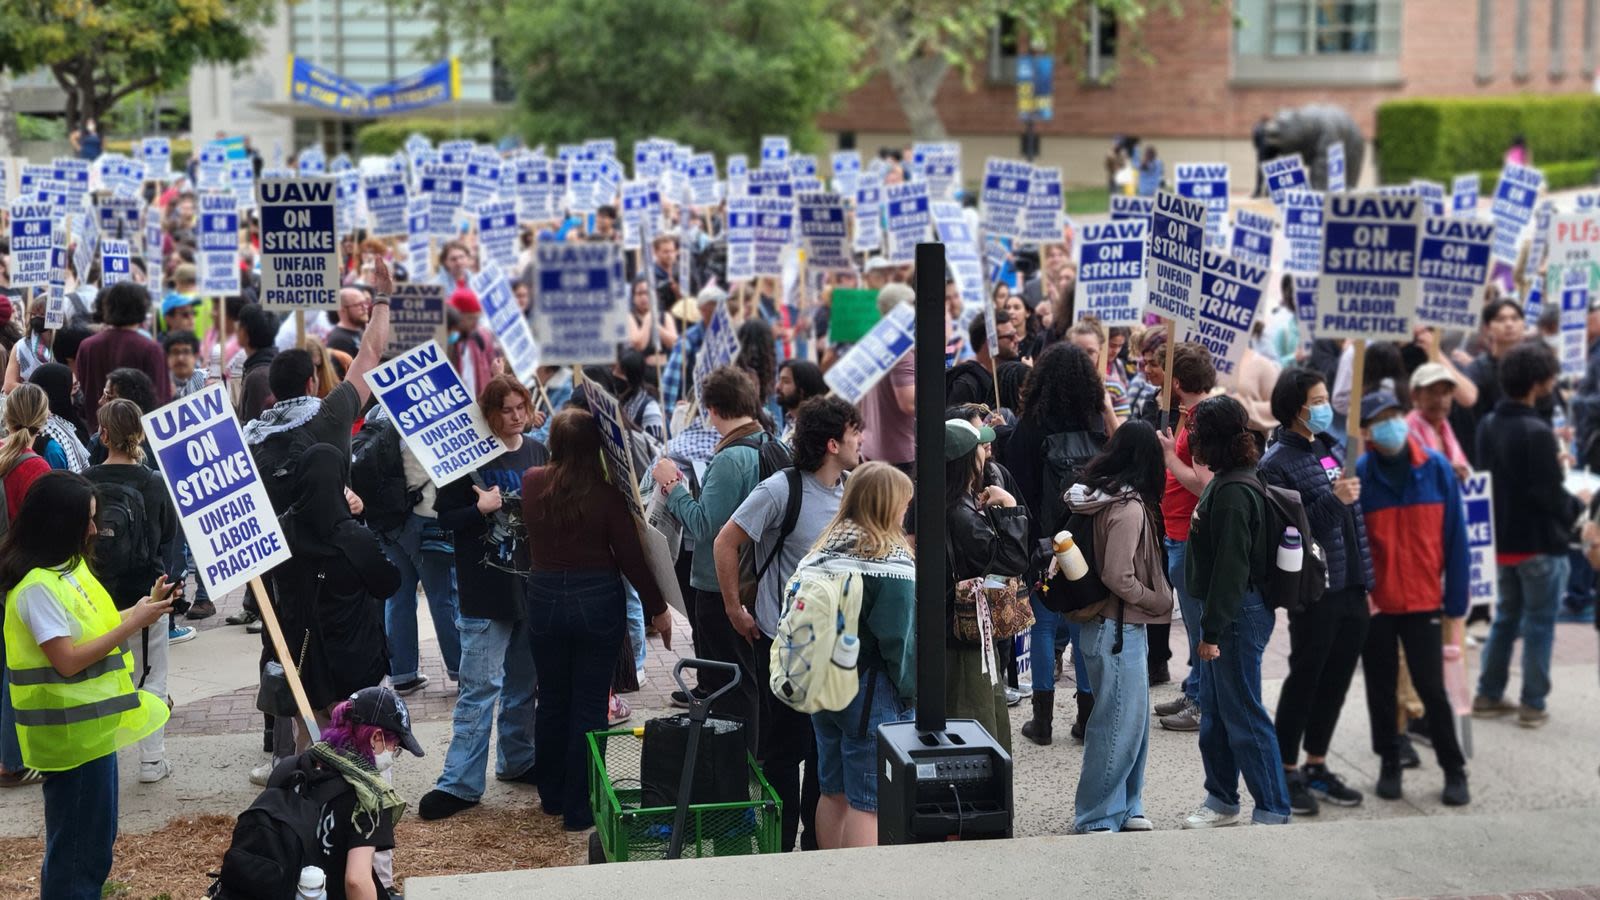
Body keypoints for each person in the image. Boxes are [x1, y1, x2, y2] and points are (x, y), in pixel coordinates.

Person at [2, 471, 171, 897]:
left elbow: (88, 630)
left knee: (91, 848)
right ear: (61, 524)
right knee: (77, 854)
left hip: (89, 734)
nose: (95, 530)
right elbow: (67, 660)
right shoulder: (36, 588)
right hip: (69, 741)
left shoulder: (65, 571)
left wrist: (137, 608)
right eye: (88, 520)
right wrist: (133, 622)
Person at [714, 395, 863, 851]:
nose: (863, 440)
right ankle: (777, 848)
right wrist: (733, 609)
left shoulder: (852, 488)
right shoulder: (782, 489)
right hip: (786, 645)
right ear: (833, 443)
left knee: (824, 754)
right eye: (856, 432)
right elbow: (726, 542)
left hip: (837, 646)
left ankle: (814, 847)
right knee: (783, 754)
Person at [523, 409, 672, 830]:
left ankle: (550, 795)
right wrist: (658, 609)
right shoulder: (606, 494)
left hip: (545, 596)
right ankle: (580, 807)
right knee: (589, 706)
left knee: (551, 700)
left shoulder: (533, 482)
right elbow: (632, 560)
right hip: (597, 600)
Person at [419, 376, 547, 821]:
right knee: (480, 688)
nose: (516, 416)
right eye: (507, 409)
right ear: (489, 414)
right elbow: (446, 518)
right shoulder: (466, 457)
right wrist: (480, 509)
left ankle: (517, 758)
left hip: (530, 586)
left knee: (521, 685)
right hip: (484, 589)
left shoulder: (538, 450)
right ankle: (460, 782)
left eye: (521, 407)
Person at [1259, 367, 1372, 815]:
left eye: (1327, 398)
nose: (1326, 407)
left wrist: (1367, 577)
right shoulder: (1275, 465)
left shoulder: (1330, 448)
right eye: (1318, 400)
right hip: (1315, 588)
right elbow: (1295, 534)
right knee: (1307, 676)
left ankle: (1317, 763)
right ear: (1294, 408)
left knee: (1338, 679)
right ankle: (1287, 767)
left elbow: (1353, 522)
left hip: (1351, 585)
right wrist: (1334, 500)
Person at [1354, 390, 1472, 807]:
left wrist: (1456, 603)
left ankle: (1453, 767)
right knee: (1381, 688)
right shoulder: (1360, 475)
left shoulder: (1437, 469)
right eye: (1379, 419)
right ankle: (1389, 761)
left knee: (1432, 690)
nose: (1390, 424)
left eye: (1394, 415)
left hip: (1425, 601)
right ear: (1367, 431)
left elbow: (1457, 541)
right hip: (1379, 604)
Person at [1181, 395, 1292, 828]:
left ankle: (1272, 807)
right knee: (1218, 711)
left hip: (1234, 616)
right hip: (1229, 613)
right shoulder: (1229, 481)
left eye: (1195, 434)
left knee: (1244, 713)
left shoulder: (1232, 493)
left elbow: (1231, 569)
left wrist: (1210, 632)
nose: (1189, 440)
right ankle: (1221, 798)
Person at [653, 367, 777, 750]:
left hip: (721, 586)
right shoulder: (772, 443)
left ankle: (730, 768)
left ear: (711, 409)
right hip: (758, 581)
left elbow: (704, 526)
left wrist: (673, 486)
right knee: (749, 681)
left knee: (727, 686)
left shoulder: (730, 459)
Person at [794, 461, 916, 849]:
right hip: (870, 688)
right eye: (903, 504)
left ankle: (830, 877)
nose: (905, 512)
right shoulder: (889, 561)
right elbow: (898, 639)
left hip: (821, 680)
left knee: (832, 791)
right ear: (886, 505)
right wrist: (912, 690)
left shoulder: (823, 548)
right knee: (870, 803)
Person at [1066, 421, 1172, 833]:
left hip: (1107, 628)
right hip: (1119, 628)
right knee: (1116, 726)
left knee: (1131, 723)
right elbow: (1118, 576)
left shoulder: (1098, 497)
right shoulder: (1127, 508)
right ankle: (1097, 815)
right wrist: (1157, 599)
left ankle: (1127, 805)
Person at [1002, 343, 1108, 744]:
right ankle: (1085, 716)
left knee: (1044, 626)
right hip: (1086, 536)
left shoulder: (1031, 426)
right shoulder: (1096, 422)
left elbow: (1018, 484)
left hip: (1042, 538)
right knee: (1082, 625)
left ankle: (1042, 721)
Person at [1474, 341, 1582, 727]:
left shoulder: (1488, 423)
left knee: (1506, 618)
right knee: (1539, 623)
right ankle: (1532, 702)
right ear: (1538, 382)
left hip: (1502, 543)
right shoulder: (1537, 431)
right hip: (1538, 544)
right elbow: (1549, 495)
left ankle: (1488, 692)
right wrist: (1579, 507)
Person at [83, 399, 178, 785]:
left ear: (103, 434)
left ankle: (101, 755)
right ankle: (151, 759)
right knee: (151, 676)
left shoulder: (85, 478)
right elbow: (168, 535)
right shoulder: (152, 480)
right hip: (146, 590)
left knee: (102, 675)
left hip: (97, 591)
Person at [266, 687, 422, 900]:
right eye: (395, 746)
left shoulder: (290, 769)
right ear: (376, 737)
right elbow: (356, 881)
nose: (393, 754)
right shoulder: (368, 796)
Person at [945, 418, 1031, 752]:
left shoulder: (956, 502)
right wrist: (1009, 507)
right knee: (978, 726)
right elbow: (1010, 561)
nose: (988, 450)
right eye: (981, 446)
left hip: (966, 634)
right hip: (966, 638)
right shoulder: (960, 512)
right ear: (967, 458)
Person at [1153, 344, 1220, 732]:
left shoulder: (1200, 423)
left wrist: (1169, 459)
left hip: (1188, 535)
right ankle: (1194, 686)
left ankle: (1201, 702)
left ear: (1176, 383)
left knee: (1199, 628)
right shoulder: (1192, 416)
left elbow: (1203, 483)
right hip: (1178, 531)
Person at [74, 283, 172, 423]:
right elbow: (161, 399)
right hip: (138, 436)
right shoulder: (151, 349)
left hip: (97, 432)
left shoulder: (87, 346)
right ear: (142, 308)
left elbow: (82, 389)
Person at [860, 285, 916, 471]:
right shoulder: (902, 349)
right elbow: (909, 403)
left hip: (872, 449)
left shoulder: (874, 341)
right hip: (899, 455)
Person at [1407, 362, 1472, 481]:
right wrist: (1447, 470)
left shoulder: (1445, 428)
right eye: (1432, 392)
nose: (1440, 400)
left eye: (1445, 392)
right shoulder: (1406, 431)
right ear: (1415, 396)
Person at [23, 371, 90, 472]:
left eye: (77, 386)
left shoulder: (67, 425)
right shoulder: (52, 446)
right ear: (59, 393)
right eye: (73, 388)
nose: (77, 394)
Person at [232, 303, 280, 423]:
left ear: (245, 333)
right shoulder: (261, 369)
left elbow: (254, 430)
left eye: (239, 325)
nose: (236, 329)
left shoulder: (258, 377)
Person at [776, 359, 826, 438]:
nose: (778, 387)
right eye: (779, 380)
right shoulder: (791, 419)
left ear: (802, 390)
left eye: (786, 382)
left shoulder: (815, 429)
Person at [326, 286, 371, 356]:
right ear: (342, 309)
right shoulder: (339, 341)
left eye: (365, 303)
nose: (365, 308)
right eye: (359, 304)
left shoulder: (359, 331)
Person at [162, 330, 208, 399]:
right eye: (175, 352)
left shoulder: (207, 380)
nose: (180, 358)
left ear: (196, 356)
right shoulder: (160, 385)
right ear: (167, 357)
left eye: (186, 352)